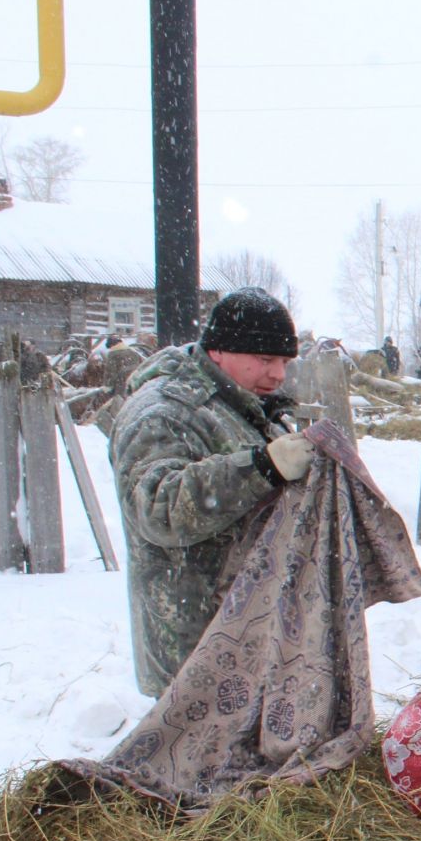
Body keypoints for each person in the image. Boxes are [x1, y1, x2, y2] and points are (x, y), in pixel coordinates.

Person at [109, 287, 316, 697]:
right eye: (265, 360)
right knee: (193, 759)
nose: (278, 375)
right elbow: (157, 508)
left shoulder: (240, 404)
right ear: (219, 351)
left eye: (284, 362)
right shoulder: (165, 412)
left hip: (242, 634)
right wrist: (261, 467)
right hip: (192, 644)